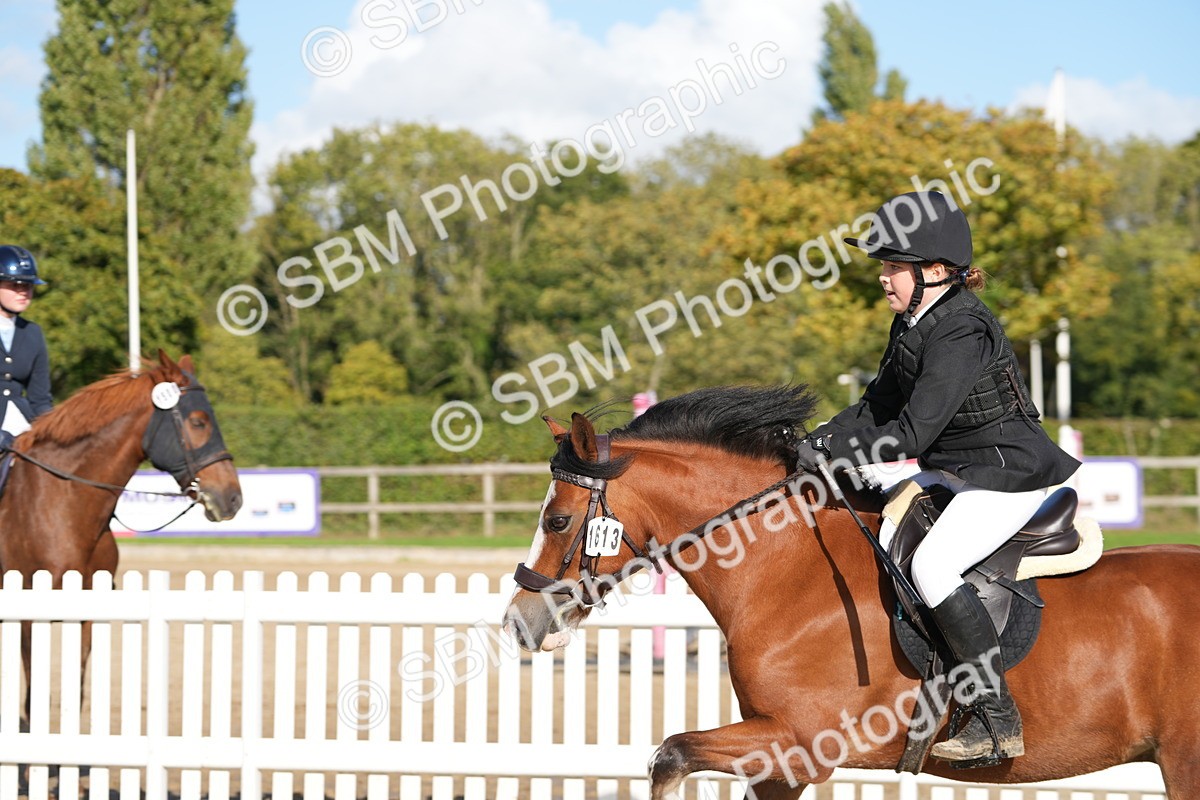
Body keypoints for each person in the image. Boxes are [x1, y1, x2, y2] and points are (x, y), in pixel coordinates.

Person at [792, 191, 1079, 763]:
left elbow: (914, 432)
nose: (883, 276)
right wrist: (815, 439)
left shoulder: (963, 330)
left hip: (1007, 476)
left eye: (894, 265)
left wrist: (836, 451)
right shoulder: (913, 323)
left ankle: (996, 717)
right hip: (960, 472)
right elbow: (876, 407)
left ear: (937, 270)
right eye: (883, 265)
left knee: (932, 565)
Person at [0, 245, 52, 441]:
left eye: (28, 286)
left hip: (22, 423)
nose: (23, 292)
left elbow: (40, 398)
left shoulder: (33, 332)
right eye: (15, 285)